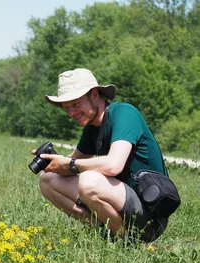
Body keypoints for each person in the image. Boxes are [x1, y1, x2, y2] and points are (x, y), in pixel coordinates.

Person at [35, 68, 169, 242]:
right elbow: (70, 164)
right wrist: (51, 162)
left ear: (95, 94)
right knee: (48, 180)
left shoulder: (124, 113)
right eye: (67, 108)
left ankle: (127, 243)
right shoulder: (92, 127)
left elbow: (114, 165)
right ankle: (106, 234)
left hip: (150, 210)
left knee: (89, 180)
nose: (71, 113)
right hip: (121, 203)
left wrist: (69, 164)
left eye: (75, 104)